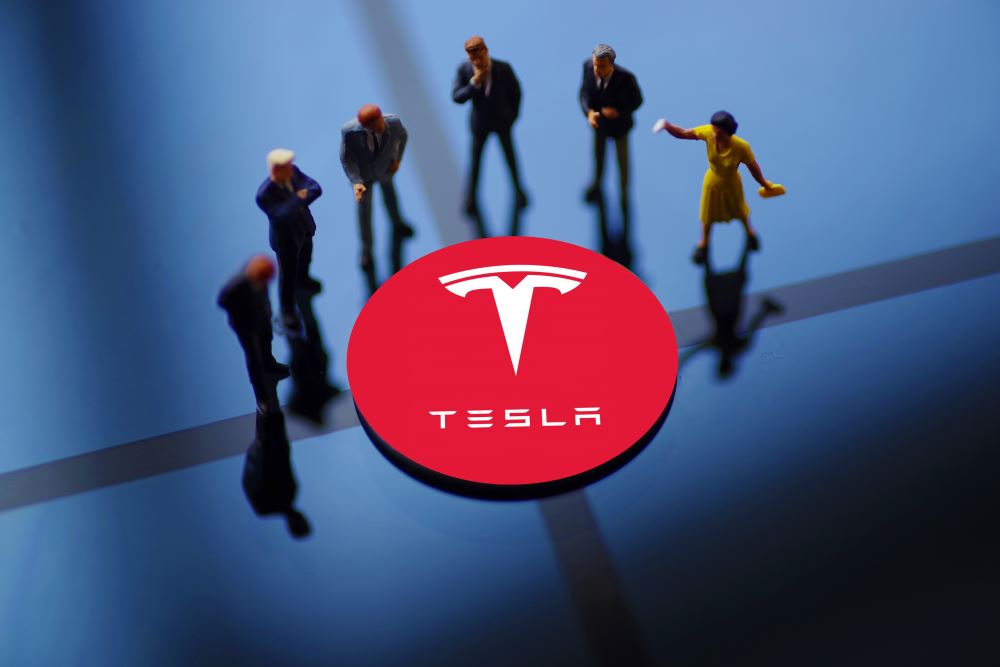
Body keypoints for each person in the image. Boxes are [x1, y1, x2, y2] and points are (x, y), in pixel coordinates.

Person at [654, 111, 782, 264]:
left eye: (718, 132)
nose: (714, 134)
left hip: (731, 183)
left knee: (739, 209)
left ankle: (750, 231)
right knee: (707, 213)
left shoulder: (741, 147)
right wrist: (667, 126)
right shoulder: (708, 132)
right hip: (712, 182)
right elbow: (684, 133)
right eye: (713, 130)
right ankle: (704, 242)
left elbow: (754, 168)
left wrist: (764, 183)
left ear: (728, 132)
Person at [452, 35, 528, 230]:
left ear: (486, 51)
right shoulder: (465, 71)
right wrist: (473, 85)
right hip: (480, 124)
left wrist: (512, 116)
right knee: (476, 162)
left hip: (503, 122)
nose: (477, 62)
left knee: (510, 157)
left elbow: (517, 93)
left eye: (479, 57)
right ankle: (471, 197)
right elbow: (457, 96)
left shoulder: (503, 68)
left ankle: (519, 191)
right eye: (473, 59)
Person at [340, 104, 415, 295]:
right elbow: (346, 160)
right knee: (365, 213)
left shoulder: (393, 123)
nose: (380, 126)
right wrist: (355, 181)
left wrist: (397, 159)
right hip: (364, 178)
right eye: (375, 125)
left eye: (380, 121)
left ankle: (398, 223)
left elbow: (403, 137)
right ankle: (367, 250)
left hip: (385, 170)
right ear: (365, 126)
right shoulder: (350, 133)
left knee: (391, 197)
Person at [255, 149, 322, 329]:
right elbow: (281, 214)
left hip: (304, 228)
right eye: (285, 166)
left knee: (306, 259)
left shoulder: (295, 173)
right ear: (275, 169)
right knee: (287, 276)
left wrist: (296, 200)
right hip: (286, 240)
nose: (289, 168)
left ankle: (304, 280)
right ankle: (287, 311)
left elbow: (315, 188)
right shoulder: (265, 194)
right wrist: (299, 198)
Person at [217, 255, 289, 414]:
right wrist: (241, 312)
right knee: (254, 358)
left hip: (261, 318)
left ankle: (269, 364)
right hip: (246, 326)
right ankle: (262, 399)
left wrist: (267, 311)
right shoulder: (238, 285)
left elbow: (264, 296)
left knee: (266, 341)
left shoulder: (261, 281)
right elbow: (222, 301)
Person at [579, 43, 643, 217]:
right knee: (598, 156)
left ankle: (624, 195)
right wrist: (589, 112)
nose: (597, 70)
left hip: (620, 126)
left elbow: (637, 100)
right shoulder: (587, 68)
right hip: (599, 124)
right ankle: (597, 184)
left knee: (622, 163)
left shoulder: (626, 79)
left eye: (601, 67)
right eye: (595, 65)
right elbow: (584, 93)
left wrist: (619, 111)